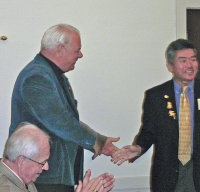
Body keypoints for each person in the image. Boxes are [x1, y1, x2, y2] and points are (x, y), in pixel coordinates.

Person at [9, 24, 119, 192]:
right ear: (60, 49)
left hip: (52, 176)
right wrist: (98, 142)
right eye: (77, 50)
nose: (80, 55)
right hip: (43, 177)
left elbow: (66, 119)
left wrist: (100, 142)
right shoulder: (37, 76)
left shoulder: (51, 74)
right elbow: (61, 122)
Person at [111, 39, 200, 192]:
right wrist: (139, 148)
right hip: (168, 174)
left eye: (193, 59)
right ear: (170, 66)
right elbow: (149, 131)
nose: (190, 65)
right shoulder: (156, 96)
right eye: (183, 60)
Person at [0, 122, 115, 192]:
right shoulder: (7, 188)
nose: (46, 167)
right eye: (42, 162)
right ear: (21, 161)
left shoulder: (20, 177)